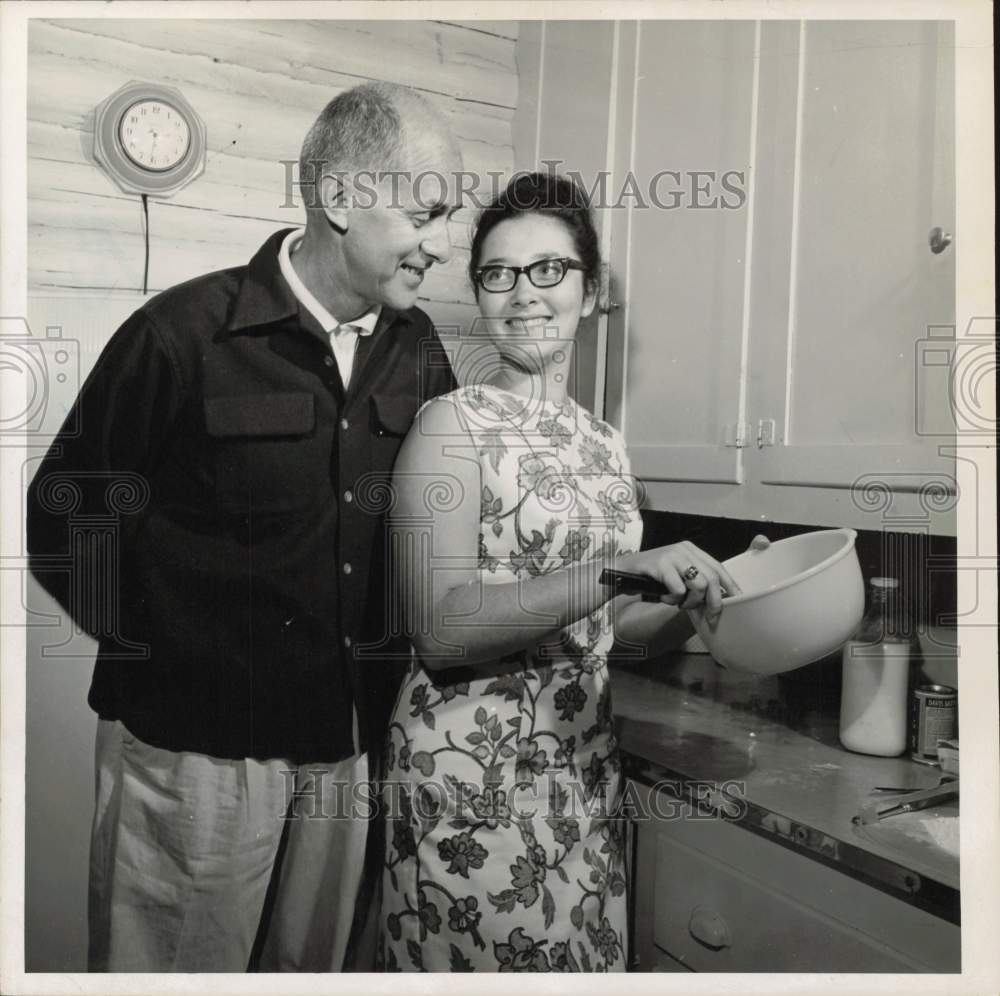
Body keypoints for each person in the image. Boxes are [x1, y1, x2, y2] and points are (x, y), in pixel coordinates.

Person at [26, 81, 461, 972]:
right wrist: (175, 655)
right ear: (340, 198)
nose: (442, 244)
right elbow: (66, 519)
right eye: (426, 212)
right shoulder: (181, 333)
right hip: (198, 757)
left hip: (348, 753)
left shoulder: (421, 355)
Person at [374, 172, 742, 972]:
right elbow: (439, 629)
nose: (523, 295)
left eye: (549, 269)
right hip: (467, 782)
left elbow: (613, 635)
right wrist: (615, 568)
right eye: (498, 274)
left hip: (580, 774)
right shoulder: (452, 426)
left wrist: (691, 602)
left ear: (591, 288)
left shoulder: (604, 444)